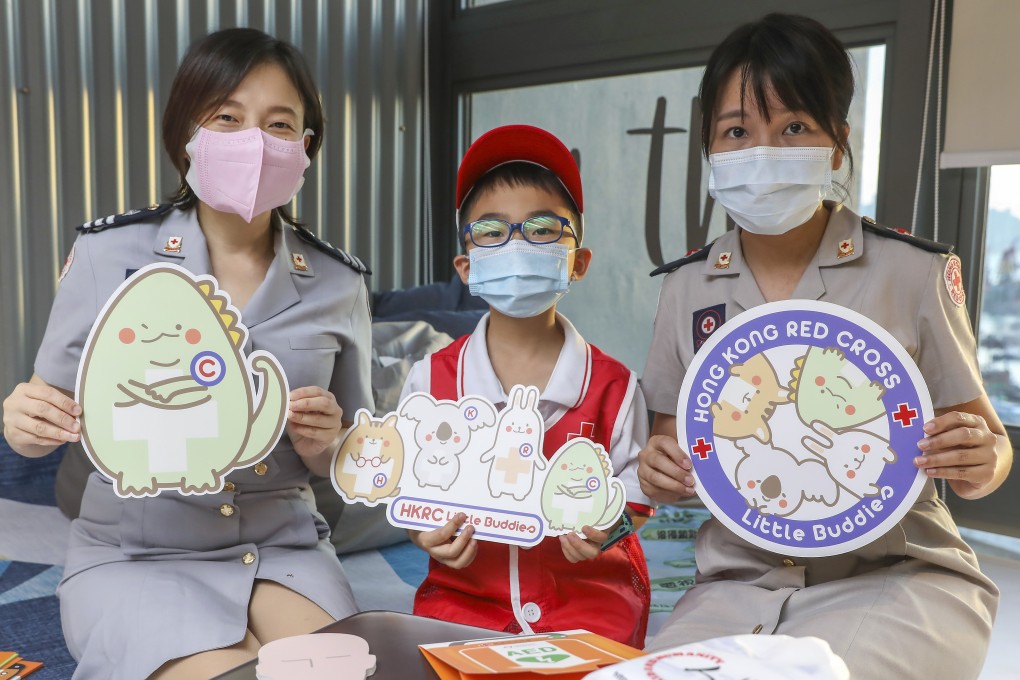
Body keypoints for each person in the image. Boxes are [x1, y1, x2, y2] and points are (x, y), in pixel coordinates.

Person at [637, 13, 1010, 680]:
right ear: (710, 150)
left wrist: (983, 459)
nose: (762, 150)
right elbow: (676, 455)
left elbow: (985, 452)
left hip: (898, 576)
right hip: (736, 586)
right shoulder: (686, 288)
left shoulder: (912, 272)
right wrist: (659, 472)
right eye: (736, 132)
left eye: (793, 128)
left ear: (836, 143)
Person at [1, 28, 373, 679]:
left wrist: (330, 448)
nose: (254, 140)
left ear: (305, 148)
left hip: (286, 550)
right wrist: (22, 424)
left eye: (279, 123)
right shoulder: (107, 254)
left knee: (339, 673)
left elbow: (359, 459)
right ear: (186, 135)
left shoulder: (341, 282)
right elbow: (44, 423)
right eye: (226, 117)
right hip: (137, 554)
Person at [400, 125, 653, 647]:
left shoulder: (615, 387)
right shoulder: (430, 383)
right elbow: (410, 490)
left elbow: (637, 492)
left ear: (577, 262)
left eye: (541, 229)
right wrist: (421, 534)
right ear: (467, 268)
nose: (516, 242)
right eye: (491, 231)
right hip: (460, 610)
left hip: (593, 612)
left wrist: (614, 529)